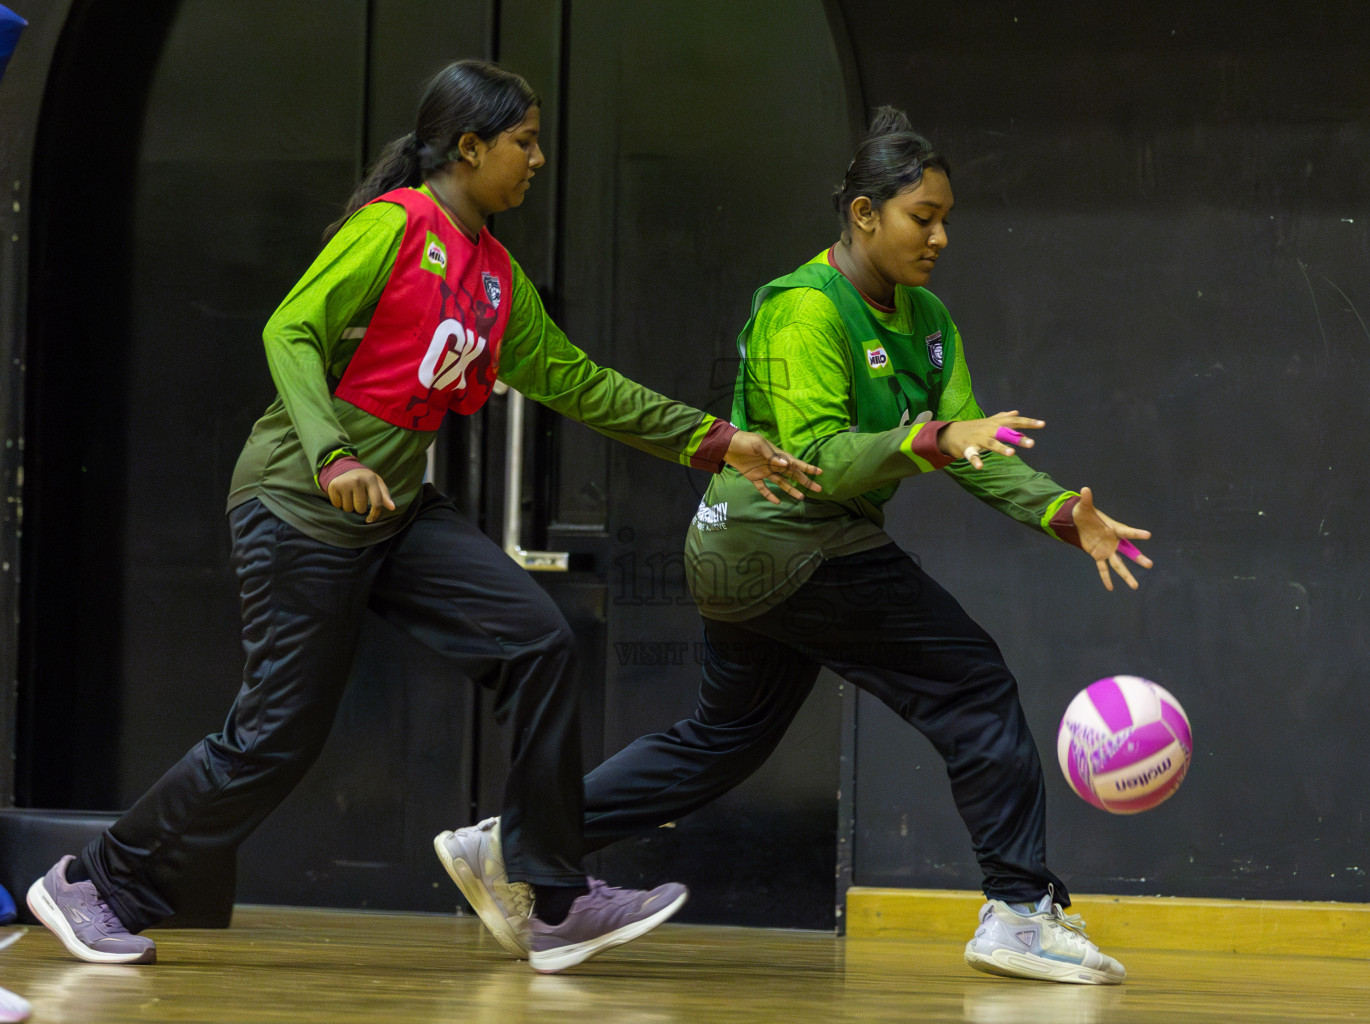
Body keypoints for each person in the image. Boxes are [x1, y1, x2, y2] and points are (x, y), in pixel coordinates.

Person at [24, 59, 819, 975]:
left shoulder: (495, 274)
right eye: (524, 142)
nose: (539, 159)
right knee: (276, 736)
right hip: (299, 504)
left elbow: (579, 382)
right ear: (469, 147)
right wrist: (333, 454)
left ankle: (552, 899)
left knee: (539, 643)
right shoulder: (395, 225)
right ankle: (93, 881)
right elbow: (289, 329)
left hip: (396, 510)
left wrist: (718, 440)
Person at [435, 106, 1151, 985]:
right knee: (973, 686)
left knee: (724, 738)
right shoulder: (803, 308)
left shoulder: (928, 320)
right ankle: (1021, 912)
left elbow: (973, 444)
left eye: (945, 220)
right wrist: (931, 440)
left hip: (765, 557)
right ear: (864, 214)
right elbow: (820, 458)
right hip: (788, 539)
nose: (939, 237)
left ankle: (516, 844)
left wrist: (1061, 513)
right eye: (922, 218)